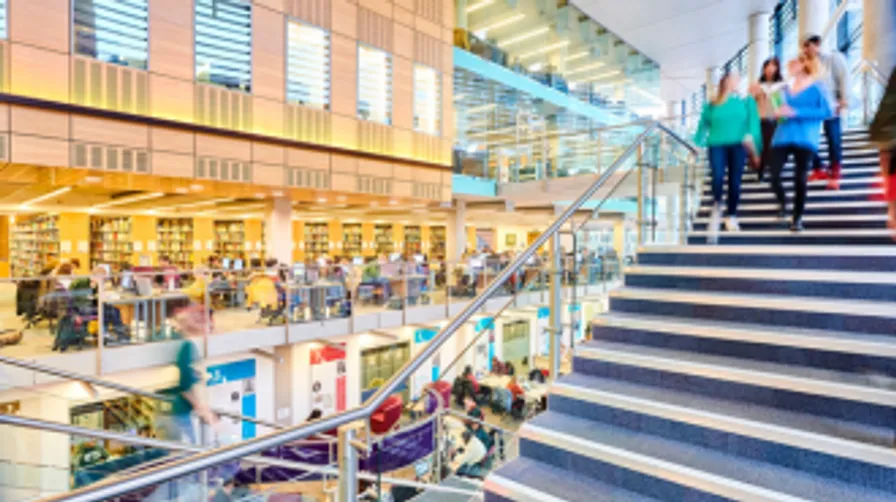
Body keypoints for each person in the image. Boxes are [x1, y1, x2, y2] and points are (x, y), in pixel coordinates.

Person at [694, 71, 762, 242]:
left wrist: (754, 146)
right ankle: (717, 204)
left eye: (738, 79)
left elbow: (752, 124)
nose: (737, 81)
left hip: (738, 145)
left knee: (734, 181)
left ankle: (731, 215)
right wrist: (696, 143)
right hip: (716, 144)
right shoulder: (711, 105)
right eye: (735, 78)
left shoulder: (745, 103)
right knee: (717, 176)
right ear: (725, 82)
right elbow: (703, 125)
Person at [768, 56, 833, 232]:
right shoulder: (784, 89)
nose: (790, 65)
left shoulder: (818, 87)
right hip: (782, 135)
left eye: (794, 62)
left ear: (805, 64)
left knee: (800, 177)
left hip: (806, 137)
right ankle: (783, 202)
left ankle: (797, 218)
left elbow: (828, 111)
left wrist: (796, 112)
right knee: (773, 174)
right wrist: (778, 112)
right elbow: (782, 111)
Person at [803, 34, 850, 190]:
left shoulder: (832, 59)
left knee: (833, 139)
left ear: (816, 44)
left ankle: (835, 174)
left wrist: (843, 99)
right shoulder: (806, 64)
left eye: (807, 45)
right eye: (803, 46)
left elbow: (843, 77)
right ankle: (818, 168)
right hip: (813, 108)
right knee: (807, 139)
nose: (805, 49)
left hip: (831, 105)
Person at [751, 57, 787, 181]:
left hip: (777, 119)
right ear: (764, 68)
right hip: (762, 119)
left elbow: (786, 102)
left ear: (777, 69)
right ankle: (761, 170)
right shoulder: (758, 85)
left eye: (774, 66)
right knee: (764, 146)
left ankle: (770, 169)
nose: (771, 69)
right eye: (768, 66)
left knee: (774, 146)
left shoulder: (782, 86)